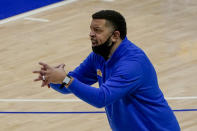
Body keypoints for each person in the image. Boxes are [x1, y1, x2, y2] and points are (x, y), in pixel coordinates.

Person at [33, 10, 180, 131]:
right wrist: (52, 78)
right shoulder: (98, 56)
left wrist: (64, 79)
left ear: (115, 35)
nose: (91, 34)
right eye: (90, 29)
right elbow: (68, 86)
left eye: (97, 30)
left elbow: (101, 98)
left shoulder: (133, 64)